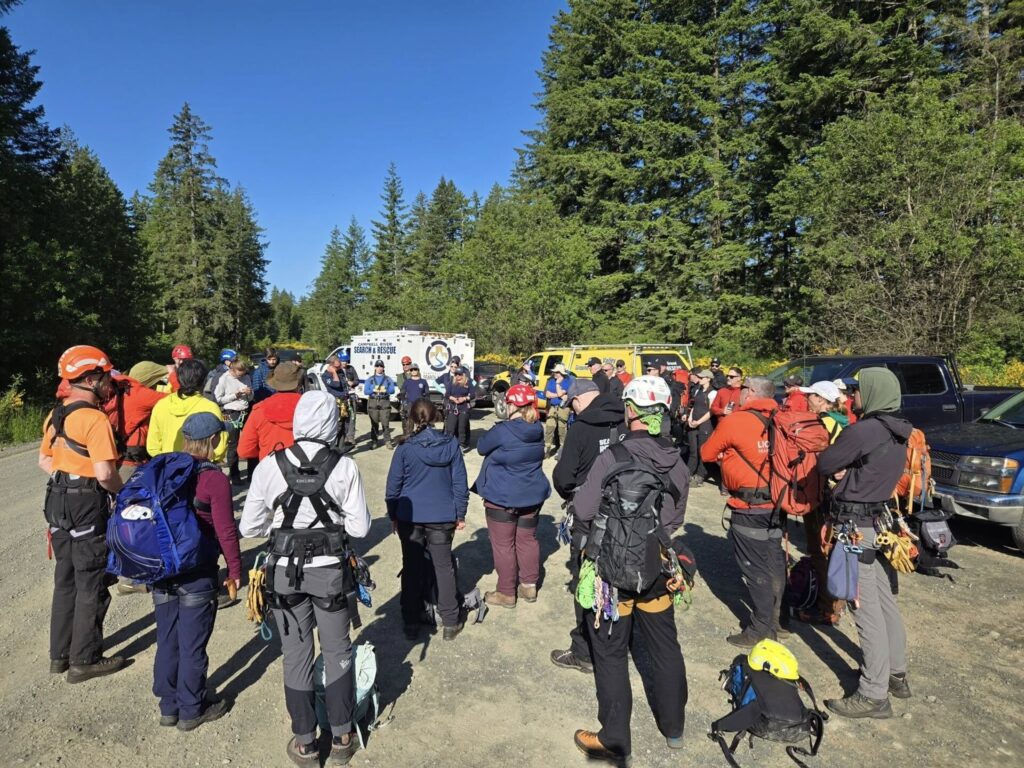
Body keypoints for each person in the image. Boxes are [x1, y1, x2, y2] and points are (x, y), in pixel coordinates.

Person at [240, 391, 370, 764]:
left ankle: (305, 743)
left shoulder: (270, 465)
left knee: (295, 655)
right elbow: (359, 529)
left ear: (299, 422)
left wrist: (280, 521)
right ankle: (343, 736)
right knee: (338, 650)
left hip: (284, 576)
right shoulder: (344, 467)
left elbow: (250, 526)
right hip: (329, 573)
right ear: (332, 423)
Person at [571, 375, 689, 766]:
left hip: (612, 574)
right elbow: (673, 520)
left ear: (631, 411)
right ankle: (673, 726)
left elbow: (585, 511)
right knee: (665, 647)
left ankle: (615, 737)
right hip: (656, 568)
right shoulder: (677, 461)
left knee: (610, 653)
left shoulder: (612, 458)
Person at [817, 368, 913, 719]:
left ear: (872, 392)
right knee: (884, 600)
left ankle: (874, 693)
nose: (851, 397)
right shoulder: (900, 430)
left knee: (863, 606)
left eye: (857, 390)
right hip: (877, 521)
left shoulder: (865, 430)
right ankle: (895, 674)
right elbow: (870, 468)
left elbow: (825, 462)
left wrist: (844, 470)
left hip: (854, 525)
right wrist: (854, 469)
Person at [39, 345, 126, 682]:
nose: (109, 384)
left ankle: (59, 655)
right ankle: (84, 659)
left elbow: (45, 461)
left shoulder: (56, 414)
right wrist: (124, 495)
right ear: (90, 379)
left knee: (65, 578)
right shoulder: (94, 419)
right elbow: (105, 474)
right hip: (86, 503)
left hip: (57, 501)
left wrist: (68, 477)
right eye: (105, 378)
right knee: (91, 579)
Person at [152, 412, 241, 730]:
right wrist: (234, 569)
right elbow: (226, 529)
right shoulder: (214, 479)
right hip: (197, 572)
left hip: (162, 571)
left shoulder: (164, 470)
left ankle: (168, 706)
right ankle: (191, 709)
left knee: (167, 638)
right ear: (215, 440)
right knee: (192, 643)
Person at [700, 376, 785, 647]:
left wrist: (729, 457)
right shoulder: (782, 417)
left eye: (742, 389)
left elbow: (706, 453)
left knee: (754, 568)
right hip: (779, 500)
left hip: (749, 505)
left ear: (751, 393)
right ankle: (779, 620)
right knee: (775, 562)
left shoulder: (737, 420)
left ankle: (760, 629)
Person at [549, 378, 625, 675]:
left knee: (588, 581)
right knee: (617, 576)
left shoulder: (580, 427)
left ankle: (585, 652)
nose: (573, 409)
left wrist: (571, 494)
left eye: (572, 404)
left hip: (590, 514)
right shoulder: (627, 418)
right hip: (625, 514)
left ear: (581, 398)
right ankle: (615, 642)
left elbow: (565, 475)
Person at [386, 399, 469, 641]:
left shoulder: (405, 448)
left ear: (411, 418)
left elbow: (393, 486)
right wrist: (460, 513)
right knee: (443, 567)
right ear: (435, 417)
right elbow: (459, 483)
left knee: (411, 566)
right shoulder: (450, 444)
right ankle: (450, 621)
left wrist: (393, 514)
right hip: (442, 516)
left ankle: (411, 620)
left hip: (410, 517)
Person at [472, 384, 551, 608]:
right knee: (527, 540)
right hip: (532, 495)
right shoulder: (537, 428)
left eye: (507, 402)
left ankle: (506, 593)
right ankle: (529, 586)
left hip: (502, 496)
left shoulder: (503, 430)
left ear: (513, 405)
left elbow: (481, 447)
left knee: (503, 545)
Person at [795, 380, 846, 626]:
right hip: (831, 495)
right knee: (829, 550)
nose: (807, 399)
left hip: (820, 495)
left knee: (820, 550)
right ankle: (835, 601)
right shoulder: (837, 423)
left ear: (822, 400)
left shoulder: (821, 424)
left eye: (812, 396)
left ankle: (827, 607)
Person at [147, 359, 227, 463]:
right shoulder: (210, 407)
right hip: (200, 468)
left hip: (168, 468)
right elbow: (219, 447)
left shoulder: (161, 405)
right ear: (204, 380)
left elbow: (153, 447)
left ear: (178, 378)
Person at [238, 361, 304, 462]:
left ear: (274, 385)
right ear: (299, 384)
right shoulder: (310, 408)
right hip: (304, 467)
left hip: (270, 467)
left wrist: (264, 452)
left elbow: (244, 450)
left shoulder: (259, 410)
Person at [215, 358, 253, 483]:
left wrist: (249, 393)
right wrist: (235, 395)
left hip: (245, 411)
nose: (241, 375)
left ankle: (252, 474)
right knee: (233, 444)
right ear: (232, 370)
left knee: (251, 441)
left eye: (243, 373)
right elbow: (218, 399)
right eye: (239, 373)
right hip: (231, 413)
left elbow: (251, 396)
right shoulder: (224, 379)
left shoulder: (246, 377)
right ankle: (234, 474)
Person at [685, 369, 714, 485]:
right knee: (693, 451)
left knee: (702, 451)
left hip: (705, 425)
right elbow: (693, 406)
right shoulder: (698, 390)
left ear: (708, 379)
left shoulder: (712, 393)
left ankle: (700, 476)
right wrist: (690, 418)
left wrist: (699, 422)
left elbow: (711, 411)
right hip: (694, 423)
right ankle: (688, 473)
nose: (700, 379)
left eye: (702, 378)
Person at [321, 354, 353, 448]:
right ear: (330, 366)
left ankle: (341, 447)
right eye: (336, 366)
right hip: (335, 403)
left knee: (344, 426)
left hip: (345, 402)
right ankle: (331, 448)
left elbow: (344, 385)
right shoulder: (326, 376)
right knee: (337, 426)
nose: (339, 367)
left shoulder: (341, 372)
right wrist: (334, 373)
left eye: (339, 366)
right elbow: (336, 384)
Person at [363, 360, 396, 449]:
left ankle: (388, 441)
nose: (379, 368)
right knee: (374, 424)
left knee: (385, 423)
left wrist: (386, 390)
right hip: (373, 401)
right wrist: (372, 390)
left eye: (381, 366)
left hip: (384, 401)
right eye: (377, 366)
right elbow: (365, 391)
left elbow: (392, 390)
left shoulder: (388, 379)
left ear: (383, 368)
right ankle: (374, 441)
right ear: (375, 367)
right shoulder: (370, 379)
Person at [543, 363, 574, 456]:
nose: (555, 374)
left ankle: (561, 449)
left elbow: (561, 393)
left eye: (557, 372)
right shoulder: (551, 380)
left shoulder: (567, 381)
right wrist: (558, 395)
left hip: (563, 407)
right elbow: (548, 394)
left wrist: (557, 385)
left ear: (561, 373)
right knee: (549, 426)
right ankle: (547, 448)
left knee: (562, 428)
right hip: (553, 406)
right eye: (555, 372)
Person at [443, 366, 473, 452]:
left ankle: (461, 446)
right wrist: (453, 398)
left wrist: (464, 398)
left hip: (463, 408)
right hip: (453, 407)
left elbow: (473, 395)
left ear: (463, 375)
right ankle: (449, 445)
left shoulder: (468, 383)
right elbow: (447, 394)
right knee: (451, 428)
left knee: (461, 428)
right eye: (456, 374)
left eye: (459, 374)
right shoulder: (451, 383)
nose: (458, 376)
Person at [399, 363, 430, 437]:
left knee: (420, 425)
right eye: (412, 370)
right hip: (410, 405)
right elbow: (402, 393)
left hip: (420, 406)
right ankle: (408, 441)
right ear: (410, 371)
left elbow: (427, 394)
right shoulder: (407, 382)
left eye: (415, 369)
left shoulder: (423, 381)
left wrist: (427, 405)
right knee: (409, 425)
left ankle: (420, 440)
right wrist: (404, 402)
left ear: (418, 370)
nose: (413, 371)